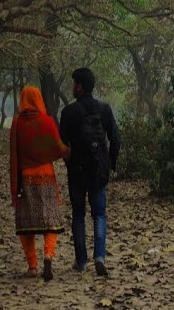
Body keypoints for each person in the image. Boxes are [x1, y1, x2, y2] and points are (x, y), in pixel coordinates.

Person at [60, 68, 120, 277]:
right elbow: (116, 138)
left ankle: (81, 261)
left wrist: (68, 161)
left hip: (76, 171)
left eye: (74, 83)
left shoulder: (68, 112)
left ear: (79, 86)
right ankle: (100, 257)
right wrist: (111, 163)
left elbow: (61, 144)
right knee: (99, 214)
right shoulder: (104, 109)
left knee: (78, 215)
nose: (72, 87)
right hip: (98, 171)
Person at [9, 85, 69, 282]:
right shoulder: (47, 121)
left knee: (26, 223)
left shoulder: (17, 124)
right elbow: (59, 148)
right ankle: (48, 255)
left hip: (26, 178)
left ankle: (32, 266)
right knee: (51, 219)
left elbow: (14, 154)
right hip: (46, 176)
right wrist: (70, 150)